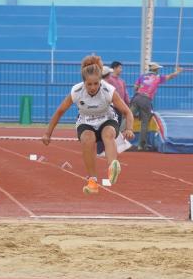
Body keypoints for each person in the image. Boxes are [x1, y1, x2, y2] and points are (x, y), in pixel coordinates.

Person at [42, 55, 134, 194]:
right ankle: (92, 182)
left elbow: (127, 112)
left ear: (100, 81)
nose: (92, 87)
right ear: (84, 82)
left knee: (108, 134)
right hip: (86, 121)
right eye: (89, 84)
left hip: (107, 119)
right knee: (87, 139)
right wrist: (47, 133)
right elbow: (60, 111)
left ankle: (112, 167)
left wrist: (129, 129)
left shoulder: (108, 90)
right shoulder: (76, 91)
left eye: (96, 83)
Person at [131, 62, 182, 151]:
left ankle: (117, 138)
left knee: (128, 117)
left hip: (136, 98)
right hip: (146, 100)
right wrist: (177, 72)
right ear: (156, 70)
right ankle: (141, 145)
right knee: (144, 123)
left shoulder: (142, 76)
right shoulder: (158, 78)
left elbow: (135, 87)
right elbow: (170, 77)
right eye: (158, 69)